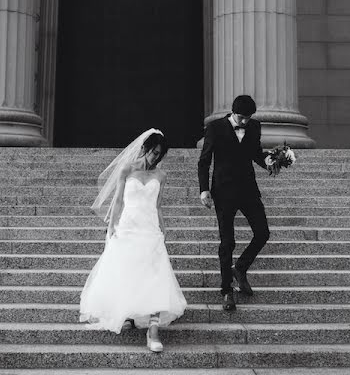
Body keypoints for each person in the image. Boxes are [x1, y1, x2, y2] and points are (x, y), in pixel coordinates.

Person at [79, 128, 187, 352]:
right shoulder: (127, 169)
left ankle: (153, 330)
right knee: (127, 272)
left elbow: (157, 206)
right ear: (145, 149)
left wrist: (163, 230)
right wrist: (111, 228)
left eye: (160, 155)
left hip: (150, 229)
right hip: (128, 227)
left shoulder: (161, 176)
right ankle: (128, 312)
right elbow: (118, 201)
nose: (155, 158)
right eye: (153, 152)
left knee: (155, 276)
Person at [197, 95, 275, 311]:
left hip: (248, 190)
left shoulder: (254, 126)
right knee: (227, 242)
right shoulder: (215, 127)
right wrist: (204, 190)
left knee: (263, 233)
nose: (244, 122)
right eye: (241, 118)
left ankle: (240, 268)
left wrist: (273, 161)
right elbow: (204, 161)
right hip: (223, 191)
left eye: (248, 119)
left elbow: (256, 154)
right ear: (233, 113)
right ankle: (226, 291)